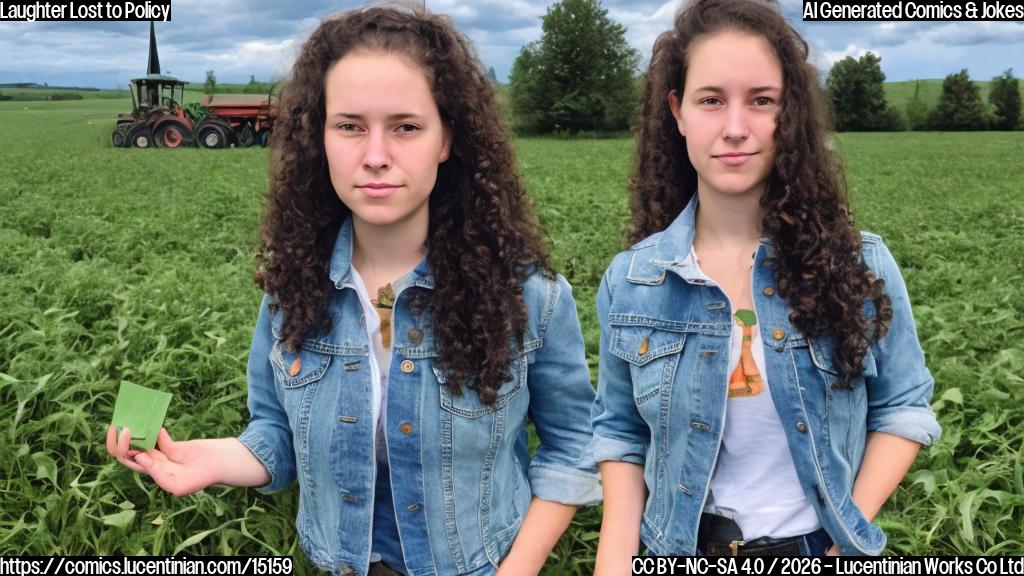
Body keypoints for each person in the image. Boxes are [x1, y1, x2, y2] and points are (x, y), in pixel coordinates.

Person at [106, 6, 600, 575]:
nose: (375, 156)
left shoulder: (528, 297)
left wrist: (518, 569)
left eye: (406, 126)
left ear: (447, 140)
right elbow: (275, 436)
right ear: (320, 137)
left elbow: (572, 449)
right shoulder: (293, 291)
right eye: (350, 126)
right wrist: (208, 459)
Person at [589, 0, 940, 567]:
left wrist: (843, 533)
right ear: (677, 112)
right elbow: (620, 434)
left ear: (790, 113)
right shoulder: (633, 279)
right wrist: (614, 562)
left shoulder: (857, 262)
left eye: (761, 101)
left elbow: (904, 406)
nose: (735, 128)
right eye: (711, 100)